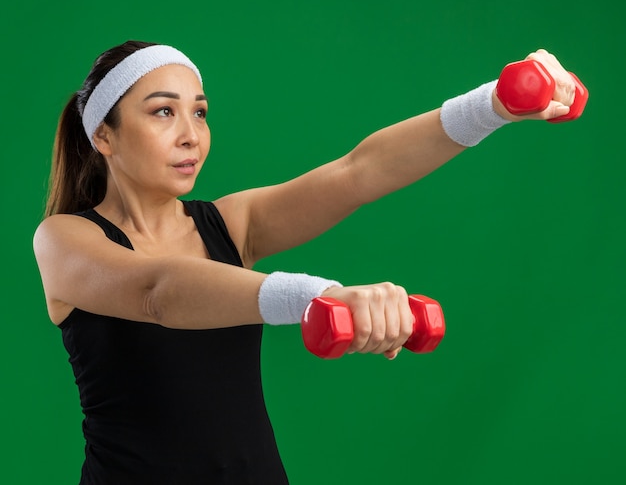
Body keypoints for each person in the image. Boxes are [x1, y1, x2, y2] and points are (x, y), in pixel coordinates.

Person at [33, 40, 579, 484]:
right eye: (163, 112)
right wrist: (316, 294)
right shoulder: (64, 241)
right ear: (103, 133)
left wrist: (493, 106)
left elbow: (358, 172)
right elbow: (158, 292)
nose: (191, 134)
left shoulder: (227, 225)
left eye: (199, 112)